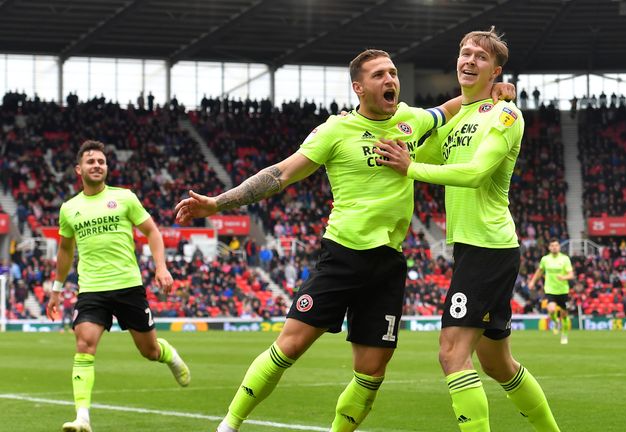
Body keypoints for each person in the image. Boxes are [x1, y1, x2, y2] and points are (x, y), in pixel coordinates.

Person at [174, 49, 515, 432]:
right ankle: (229, 424)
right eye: (379, 76)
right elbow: (280, 174)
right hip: (343, 255)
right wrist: (219, 203)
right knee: (291, 345)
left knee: (371, 372)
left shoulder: (410, 119)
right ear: (358, 88)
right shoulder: (335, 130)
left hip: (388, 263)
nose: (390, 81)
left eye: (392, 73)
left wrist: (495, 90)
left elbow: (454, 107)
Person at [375, 27, 559, 432]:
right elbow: (414, 156)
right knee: (499, 364)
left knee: (451, 355)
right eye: (465, 53)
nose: (469, 60)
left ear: (496, 71)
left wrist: (411, 167)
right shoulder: (455, 119)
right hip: (474, 248)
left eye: (480, 56)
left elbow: (475, 174)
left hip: (488, 246)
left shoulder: (506, 113)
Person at [46, 140, 190, 432]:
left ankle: (170, 356)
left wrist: (161, 267)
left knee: (149, 351)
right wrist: (57, 288)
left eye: (101, 161)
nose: (97, 165)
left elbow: (152, 231)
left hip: (128, 287)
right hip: (92, 289)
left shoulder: (125, 198)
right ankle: (82, 417)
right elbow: (64, 251)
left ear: (106, 167)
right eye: (91, 161)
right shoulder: (69, 208)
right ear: (79, 169)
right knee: (84, 344)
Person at [528, 239, 574, 344]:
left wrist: (563, 277)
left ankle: (564, 335)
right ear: (549, 247)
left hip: (563, 290)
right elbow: (539, 271)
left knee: (564, 315)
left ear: (559, 247)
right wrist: (532, 282)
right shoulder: (545, 259)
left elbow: (571, 275)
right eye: (552, 246)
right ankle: (556, 322)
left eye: (556, 245)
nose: (554, 247)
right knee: (551, 309)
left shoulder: (565, 259)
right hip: (550, 290)